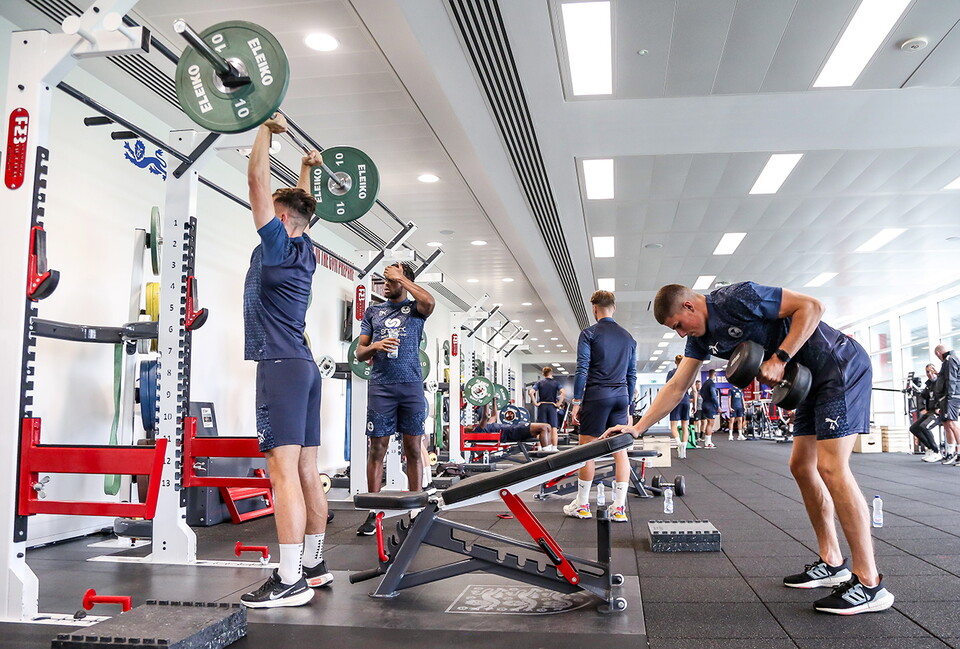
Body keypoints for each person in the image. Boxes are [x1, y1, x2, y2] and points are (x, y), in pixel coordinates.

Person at [604, 282, 894, 615]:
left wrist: (780, 357)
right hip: (808, 381)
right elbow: (678, 384)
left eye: (679, 326)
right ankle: (832, 562)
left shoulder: (736, 297)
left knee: (831, 468)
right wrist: (638, 427)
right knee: (801, 466)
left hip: (838, 366)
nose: (682, 334)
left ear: (689, 307)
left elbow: (812, 306)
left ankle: (869, 582)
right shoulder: (701, 338)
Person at [240, 114, 330, 608]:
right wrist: (305, 169)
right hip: (304, 367)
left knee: (281, 471)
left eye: (272, 216)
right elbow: (300, 208)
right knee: (306, 470)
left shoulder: (275, 242)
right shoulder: (304, 246)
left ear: (280, 224)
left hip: (280, 364)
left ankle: (290, 578)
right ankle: (313, 565)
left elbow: (256, 180)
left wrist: (264, 133)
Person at [355, 263, 435, 535]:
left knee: (413, 448)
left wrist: (401, 276)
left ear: (404, 281)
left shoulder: (415, 310)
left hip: (411, 386)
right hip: (381, 387)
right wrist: (375, 346)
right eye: (385, 280)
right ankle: (373, 510)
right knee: (376, 449)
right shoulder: (373, 312)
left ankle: (415, 509)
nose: (386, 284)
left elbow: (429, 300)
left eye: (391, 280)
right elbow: (360, 353)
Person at [566, 290, 636, 523]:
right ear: (614, 308)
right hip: (621, 397)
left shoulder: (589, 334)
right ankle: (619, 508)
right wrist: (628, 407)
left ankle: (583, 505)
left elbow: (582, 369)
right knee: (620, 451)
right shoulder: (628, 337)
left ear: (594, 309)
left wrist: (577, 401)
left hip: (597, 396)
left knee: (587, 449)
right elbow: (631, 375)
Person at [465, 396, 552, 448]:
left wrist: (493, 400)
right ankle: (546, 454)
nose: (467, 425)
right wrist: (485, 401)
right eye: (466, 427)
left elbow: (494, 416)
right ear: (469, 431)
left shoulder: (486, 426)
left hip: (513, 428)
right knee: (543, 427)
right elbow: (485, 416)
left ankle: (549, 450)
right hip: (511, 432)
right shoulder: (479, 430)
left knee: (548, 426)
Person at [933, 345, 960, 466]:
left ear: (938, 353)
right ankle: (951, 453)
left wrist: (949, 396)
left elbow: (952, 379)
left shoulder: (950, 359)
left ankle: (958, 454)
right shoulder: (947, 361)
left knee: (952, 424)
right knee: (947, 424)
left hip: (951, 397)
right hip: (946, 397)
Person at [911, 363, 943, 462]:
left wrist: (939, 407)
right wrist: (921, 408)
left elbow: (946, 396)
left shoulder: (941, 382)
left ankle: (936, 451)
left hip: (940, 412)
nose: (930, 373)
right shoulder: (929, 385)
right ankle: (930, 449)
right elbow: (921, 396)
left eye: (931, 370)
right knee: (914, 428)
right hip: (930, 412)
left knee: (924, 426)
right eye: (927, 372)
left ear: (936, 370)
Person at [528, 366, 564, 451]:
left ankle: (540, 447)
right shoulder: (556, 383)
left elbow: (531, 392)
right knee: (553, 428)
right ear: (551, 373)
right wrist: (558, 403)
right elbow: (563, 393)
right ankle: (554, 448)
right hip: (552, 406)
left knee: (540, 427)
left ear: (543, 374)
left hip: (542, 406)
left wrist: (535, 403)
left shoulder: (540, 382)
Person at [666, 355, 690, 459]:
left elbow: (668, 387)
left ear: (675, 362)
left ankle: (679, 443)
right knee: (685, 426)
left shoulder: (671, 373)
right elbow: (694, 389)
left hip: (676, 401)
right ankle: (683, 449)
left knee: (674, 426)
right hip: (686, 401)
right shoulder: (688, 372)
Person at [699, 369, 720, 448]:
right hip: (710, 404)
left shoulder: (705, 383)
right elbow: (714, 395)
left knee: (708, 422)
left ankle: (708, 441)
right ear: (714, 375)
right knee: (710, 423)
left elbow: (700, 392)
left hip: (704, 403)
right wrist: (718, 406)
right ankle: (708, 442)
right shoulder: (712, 383)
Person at [691, 379, 703, 444]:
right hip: (697, 409)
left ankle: (701, 436)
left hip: (702, 408)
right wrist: (695, 399)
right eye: (697, 384)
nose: (699, 386)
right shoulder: (693, 392)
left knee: (703, 422)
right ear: (695, 385)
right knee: (696, 422)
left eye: (700, 384)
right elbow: (689, 399)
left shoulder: (702, 392)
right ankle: (695, 436)